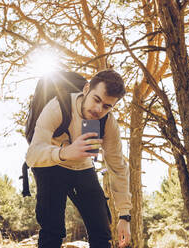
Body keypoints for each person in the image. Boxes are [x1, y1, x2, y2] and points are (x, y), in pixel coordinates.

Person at [26, 69, 132, 248]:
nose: (99, 109)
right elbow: (32, 154)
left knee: (101, 230)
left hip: (82, 167)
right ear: (86, 89)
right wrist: (64, 153)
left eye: (107, 106)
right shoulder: (58, 106)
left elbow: (118, 167)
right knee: (52, 230)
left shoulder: (108, 123)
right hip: (50, 164)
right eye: (96, 99)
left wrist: (124, 215)